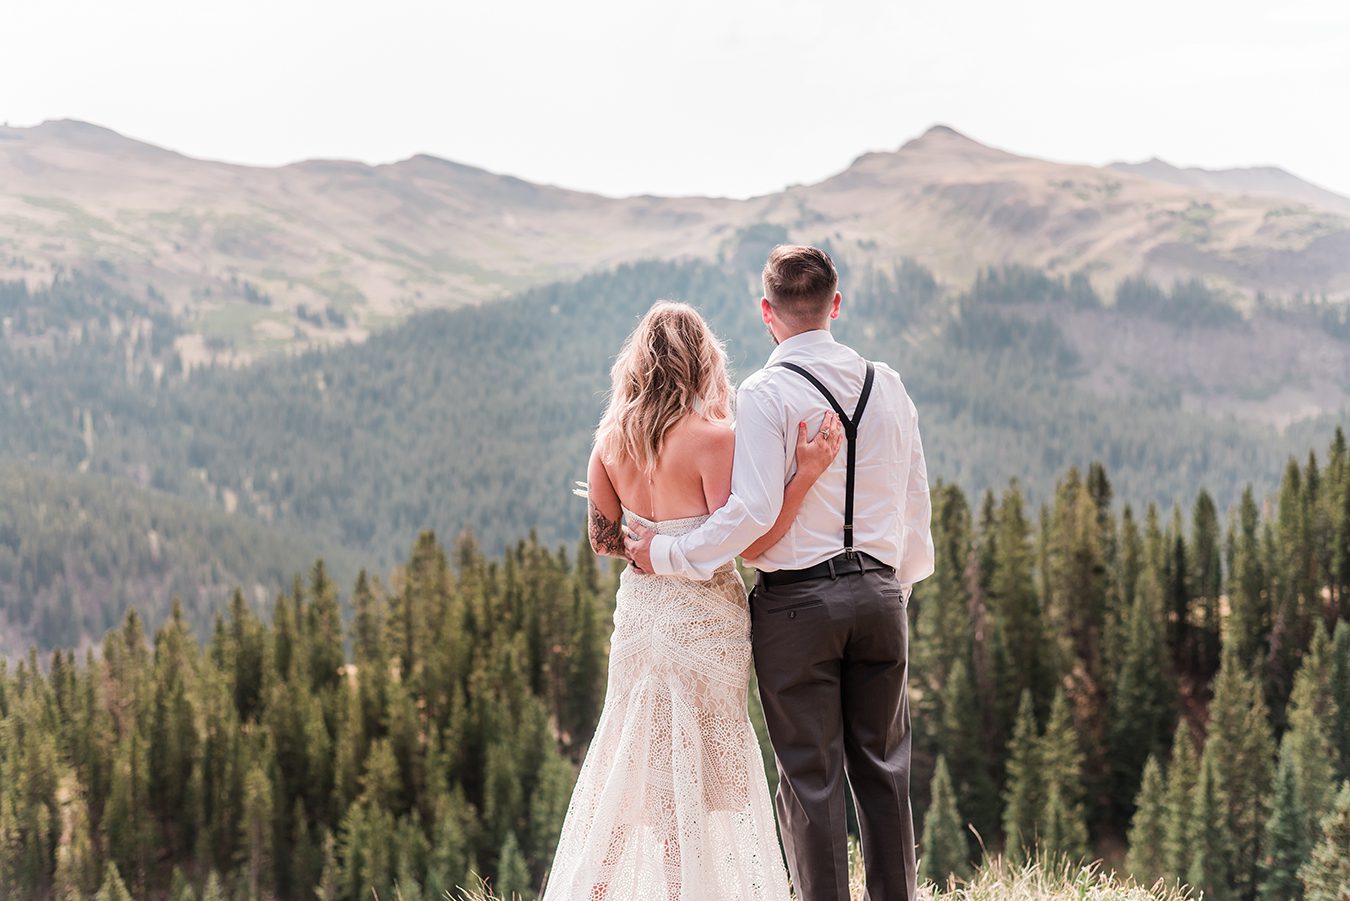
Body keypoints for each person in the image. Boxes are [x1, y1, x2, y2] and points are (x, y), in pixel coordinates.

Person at [627, 245, 935, 901]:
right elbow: (915, 501)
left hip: (798, 606)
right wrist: (891, 586)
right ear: (836, 304)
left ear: (768, 312)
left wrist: (667, 555)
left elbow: (751, 512)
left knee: (810, 776)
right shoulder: (891, 385)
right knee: (885, 770)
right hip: (881, 596)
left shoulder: (766, 393)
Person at [541, 299, 843, 901]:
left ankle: (596, 889)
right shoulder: (714, 440)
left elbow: (604, 541)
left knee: (631, 764)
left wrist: (650, 547)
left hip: (642, 620)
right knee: (703, 773)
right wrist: (805, 473)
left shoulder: (610, 441)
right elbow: (753, 539)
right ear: (703, 363)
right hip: (705, 622)